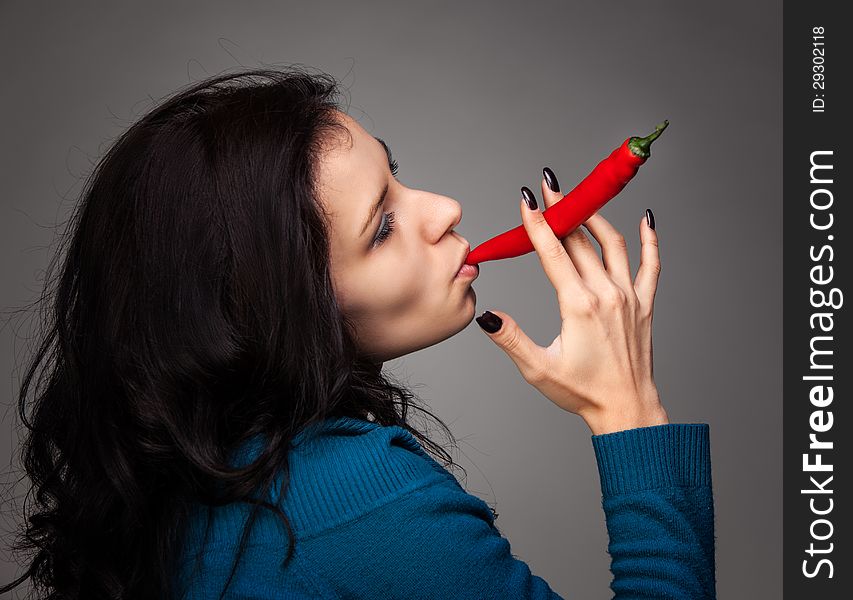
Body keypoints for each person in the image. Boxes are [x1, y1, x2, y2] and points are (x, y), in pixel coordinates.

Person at [1, 67, 715, 599]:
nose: (445, 209)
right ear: (278, 309)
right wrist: (626, 414)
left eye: (397, 179)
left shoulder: (187, 482)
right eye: (382, 227)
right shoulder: (351, 496)